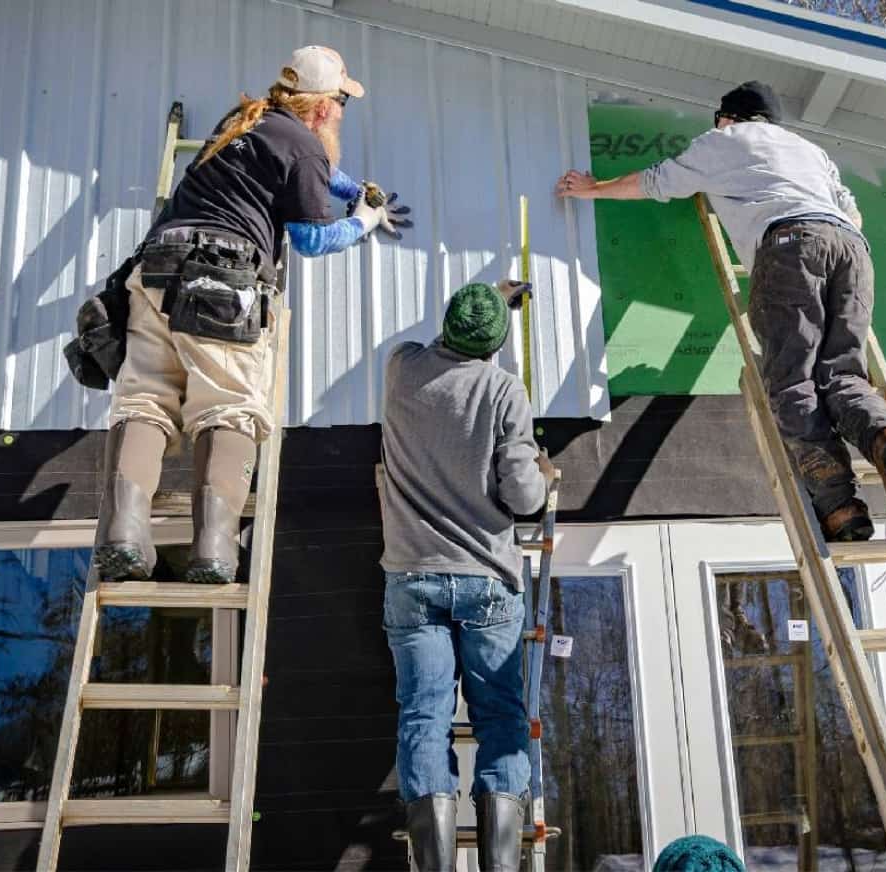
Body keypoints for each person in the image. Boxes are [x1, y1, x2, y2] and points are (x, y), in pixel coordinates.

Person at [556, 81, 886, 540]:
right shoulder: (810, 151)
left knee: (792, 379)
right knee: (844, 375)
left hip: (790, 245)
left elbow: (657, 182)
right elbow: (853, 216)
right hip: (853, 251)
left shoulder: (724, 141)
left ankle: (841, 509)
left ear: (728, 117)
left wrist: (593, 189)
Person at [91, 45, 411, 584]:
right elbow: (311, 238)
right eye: (341, 104)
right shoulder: (305, 146)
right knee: (229, 407)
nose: (341, 114)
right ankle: (214, 550)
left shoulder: (244, 121)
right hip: (222, 282)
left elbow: (308, 168)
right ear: (325, 108)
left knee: (145, 400)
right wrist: (364, 219)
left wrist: (353, 187)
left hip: (156, 270)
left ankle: (124, 535)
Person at [378, 281, 554, 872]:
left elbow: (440, 353)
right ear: (497, 344)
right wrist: (543, 474)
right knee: (500, 717)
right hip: (486, 578)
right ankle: (500, 865)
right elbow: (523, 497)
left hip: (413, 576)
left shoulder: (401, 369)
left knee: (423, 716)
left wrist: (489, 307)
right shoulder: (505, 389)